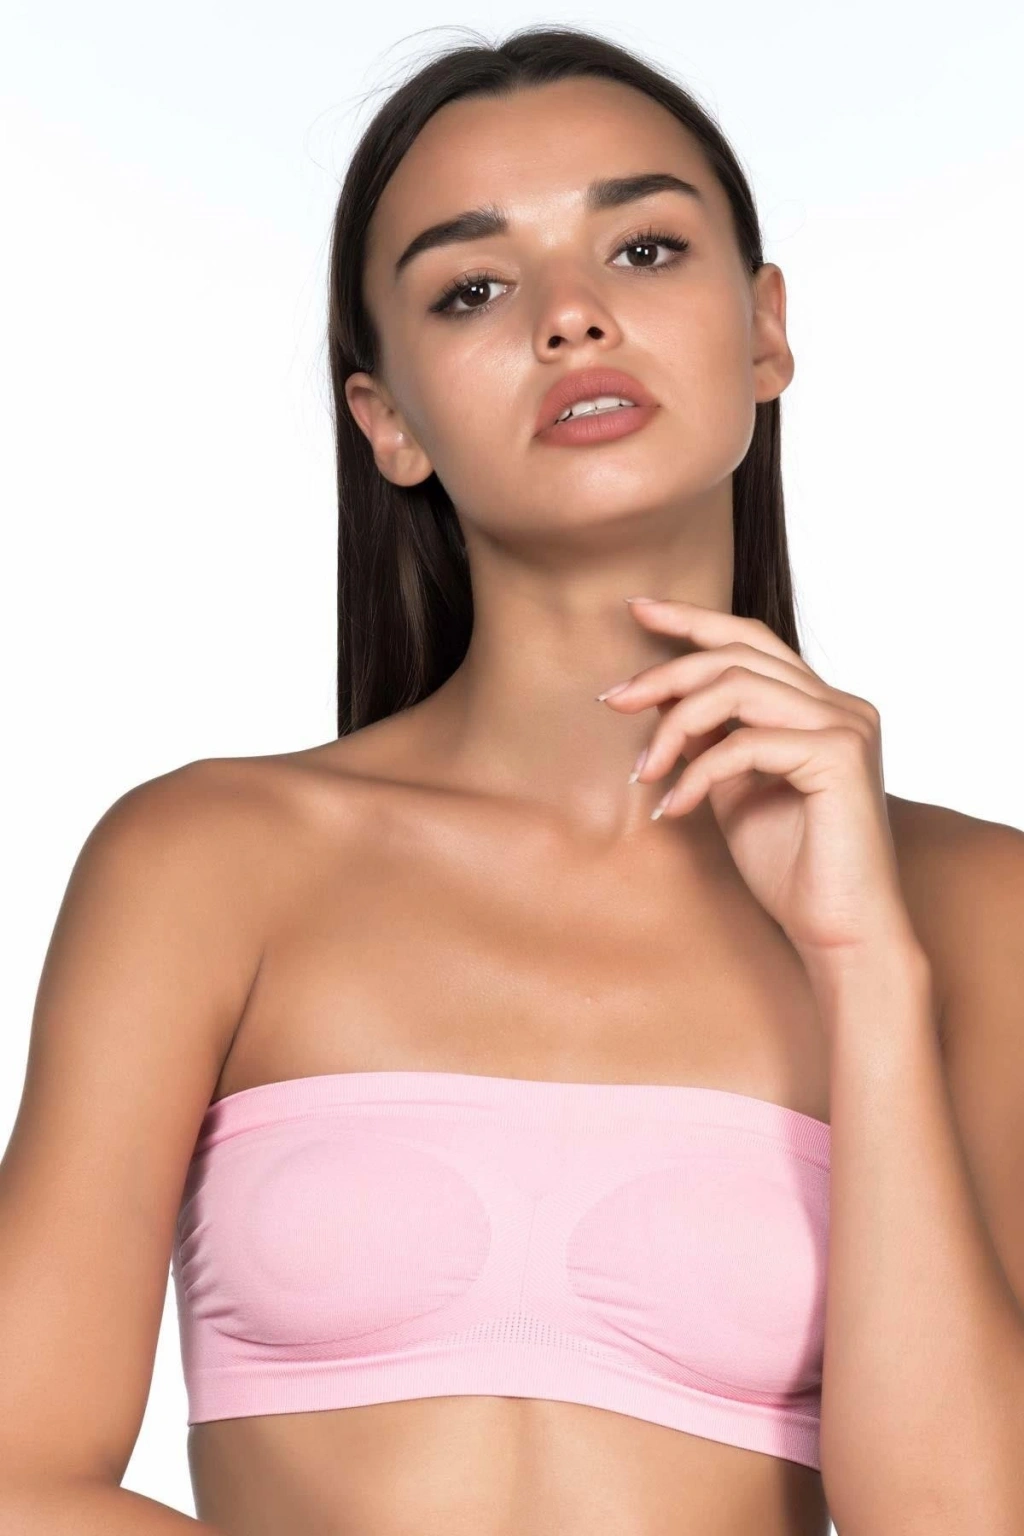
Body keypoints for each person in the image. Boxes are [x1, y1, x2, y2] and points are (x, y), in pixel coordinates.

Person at [3, 23, 1023, 1536]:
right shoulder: (209, 861)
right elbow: (17, 1471)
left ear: (765, 333)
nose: (572, 317)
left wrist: (863, 963)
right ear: (389, 422)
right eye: (473, 288)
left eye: (646, 249)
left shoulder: (975, 911)